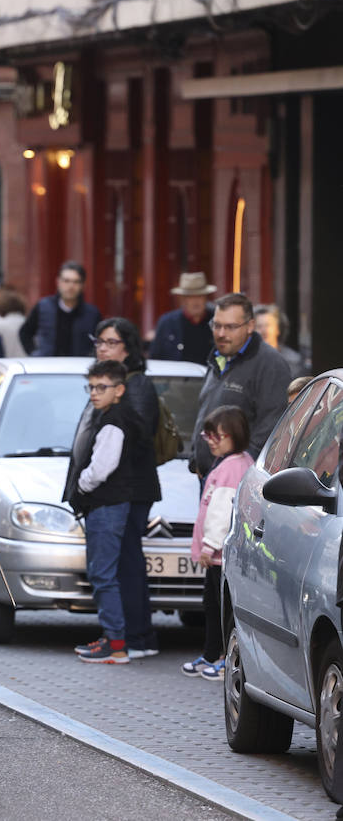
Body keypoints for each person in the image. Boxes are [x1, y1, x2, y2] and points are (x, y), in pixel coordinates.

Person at [88, 317, 163, 659]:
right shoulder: (106, 384)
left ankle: (136, 637)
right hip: (121, 488)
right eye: (100, 341)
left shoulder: (137, 386)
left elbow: (136, 435)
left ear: (128, 348)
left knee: (126, 563)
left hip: (131, 488)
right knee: (121, 563)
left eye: (111, 342)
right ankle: (134, 635)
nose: (103, 347)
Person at [63, 359, 139, 664]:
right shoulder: (109, 416)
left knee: (102, 574)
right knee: (103, 573)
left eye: (101, 387)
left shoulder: (112, 422)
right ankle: (112, 638)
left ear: (119, 390)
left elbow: (101, 468)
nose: (94, 393)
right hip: (107, 506)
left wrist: (81, 484)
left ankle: (116, 644)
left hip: (106, 506)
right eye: (91, 387)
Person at [182, 405, 252, 681]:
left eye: (217, 437)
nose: (211, 442)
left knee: (221, 608)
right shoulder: (231, 463)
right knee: (211, 605)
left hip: (220, 555)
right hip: (217, 554)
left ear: (235, 435)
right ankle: (212, 654)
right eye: (208, 436)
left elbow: (223, 512)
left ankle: (225, 658)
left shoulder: (233, 468)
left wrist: (210, 546)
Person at [189, 292, 291, 479]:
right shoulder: (218, 358)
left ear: (250, 326)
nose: (221, 333)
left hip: (239, 483)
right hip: (210, 477)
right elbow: (205, 411)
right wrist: (196, 458)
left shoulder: (270, 365)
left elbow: (272, 428)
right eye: (217, 325)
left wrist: (240, 472)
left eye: (230, 327)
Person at [19, 261, 100, 357]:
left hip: (80, 368)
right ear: (58, 282)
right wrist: (34, 354)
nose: (71, 286)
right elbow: (25, 332)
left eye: (76, 282)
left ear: (82, 285)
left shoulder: (92, 313)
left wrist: (91, 357)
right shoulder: (44, 306)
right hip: (47, 367)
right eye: (66, 281)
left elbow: (99, 341)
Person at [149, 272, 215, 363]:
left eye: (200, 296)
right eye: (190, 297)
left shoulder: (216, 321)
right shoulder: (167, 322)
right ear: (183, 299)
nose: (195, 301)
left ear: (206, 298)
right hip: (175, 375)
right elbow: (155, 358)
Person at [253, 304, 307, 380]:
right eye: (259, 326)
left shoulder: (293, 361)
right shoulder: (246, 360)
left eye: (267, 325)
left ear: (278, 329)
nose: (263, 330)